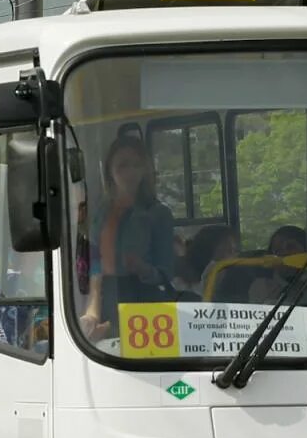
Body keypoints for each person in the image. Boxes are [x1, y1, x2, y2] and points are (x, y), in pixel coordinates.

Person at [79, 126, 176, 338]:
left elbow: (167, 273)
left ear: (145, 170)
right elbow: (95, 264)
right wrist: (92, 312)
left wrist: (144, 269)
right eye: (123, 165)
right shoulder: (100, 213)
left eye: (136, 165)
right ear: (110, 171)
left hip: (145, 302)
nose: (130, 172)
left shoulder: (158, 214)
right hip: (107, 296)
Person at [176, 222, 237, 296]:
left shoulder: (235, 278)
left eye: (234, 250)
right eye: (228, 250)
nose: (234, 257)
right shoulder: (179, 285)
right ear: (207, 252)